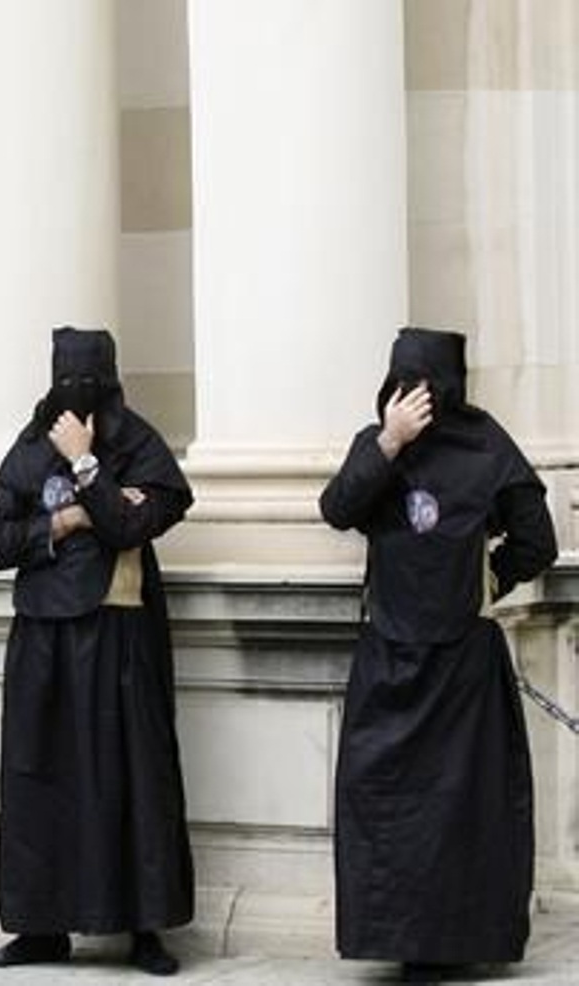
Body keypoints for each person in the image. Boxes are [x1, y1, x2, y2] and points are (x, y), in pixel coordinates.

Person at [320, 327, 556, 984]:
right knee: (386, 804)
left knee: (461, 804)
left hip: (462, 666)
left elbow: (536, 540)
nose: (413, 399)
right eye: (402, 387)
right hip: (388, 659)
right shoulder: (378, 444)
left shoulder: (487, 445)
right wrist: (389, 442)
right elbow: (337, 508)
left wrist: (486, 582)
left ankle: (456, 942)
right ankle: (399, 940)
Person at [0, 327, 194, 976]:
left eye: (88, 383)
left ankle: (144, 929)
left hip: (117, 636)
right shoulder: (28, 447)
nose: (76, 396)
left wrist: (86, 464)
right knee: (40, 779)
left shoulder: (138, 444)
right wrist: (69, 518)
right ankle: (39, 929)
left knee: (131, 778)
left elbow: (130, 525)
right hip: (42, 639)